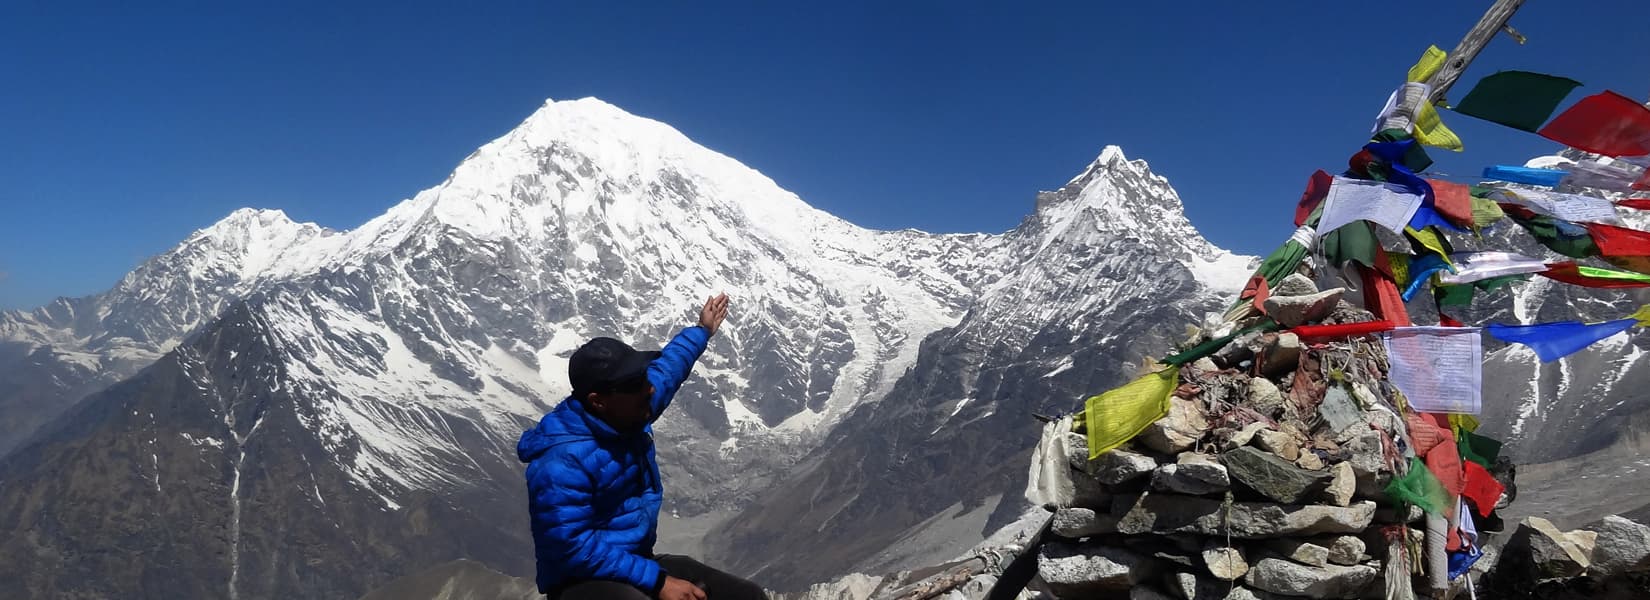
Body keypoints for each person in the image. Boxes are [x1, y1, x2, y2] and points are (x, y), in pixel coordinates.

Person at [517, 293, 766, 600]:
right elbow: (571, 547)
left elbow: (668, 370)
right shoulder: (560, 464)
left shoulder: (629, 412)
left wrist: (702, 331)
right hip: (580, 582)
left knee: (746, 596)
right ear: (598, 400)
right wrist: (659, 583)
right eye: (634, 384)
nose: (648, 387)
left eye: (642, 377)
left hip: (635, 564)